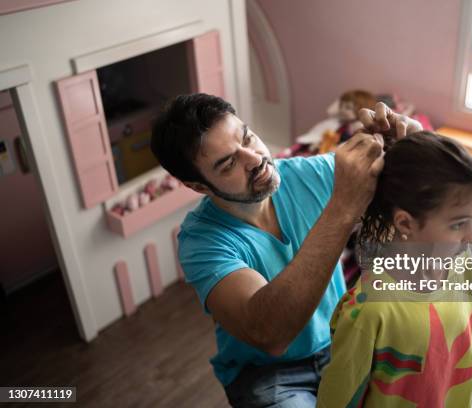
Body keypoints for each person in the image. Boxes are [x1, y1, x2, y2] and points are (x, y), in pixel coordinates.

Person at [150, 93, 422, 407]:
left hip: (342, 341)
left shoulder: (308, 173)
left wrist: (411, 142)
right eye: (228, 164)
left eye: (248, 138)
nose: (254, 159)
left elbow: (413, 183)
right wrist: (343, 208)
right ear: (198, 186)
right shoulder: (201, 241)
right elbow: (271, 333)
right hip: (269, 373)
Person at [316, 131, 472, 408]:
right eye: (458, 224)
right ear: (405, 223)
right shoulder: (370, 311)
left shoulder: (461, 266)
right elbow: (338, 398)